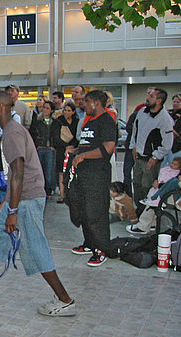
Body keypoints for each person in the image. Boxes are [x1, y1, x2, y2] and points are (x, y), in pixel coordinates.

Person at [0, 91, 76, 317]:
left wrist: (13, 210)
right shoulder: (10, 131)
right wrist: (6, 201)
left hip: (27, 199)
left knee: (35, 248)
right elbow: (13, 173)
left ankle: (65, 300)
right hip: (17, 198)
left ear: (1, 108)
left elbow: (19, 172)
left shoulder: (12, 133)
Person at [69, 90, 117, 267]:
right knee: (84, 210)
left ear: (96, 103)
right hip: (84, 174)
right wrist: (76, 151)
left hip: (98, 175)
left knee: (96, 212)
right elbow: (89, 144)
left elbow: (108, 148)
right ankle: (89, 244)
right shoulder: (91, 122)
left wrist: (83, 156)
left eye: (86, 101)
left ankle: (102, 249)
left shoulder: (106, 121)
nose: (83, 104)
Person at [129, 88, 173, 210]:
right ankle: (139, 209)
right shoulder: (142, 111)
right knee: (136, 183)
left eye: (151, 96)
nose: (147, 98)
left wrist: (156, 156)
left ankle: (148, 214)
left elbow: (167, 143)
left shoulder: (165, 119)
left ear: (159, 100)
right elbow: (135, 130)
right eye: (148, 94)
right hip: (138, 156)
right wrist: (133, 147)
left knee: (147, 186)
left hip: (151, 159)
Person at [126, 157, 181, 235]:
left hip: (172, 195)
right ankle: (152, 224)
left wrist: (159, 185)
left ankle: (143, 226)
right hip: (169, 192)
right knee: (152, 195)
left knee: (152, 202)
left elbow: (174, 183)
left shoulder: (176, 174)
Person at [51, 102, 79, 203]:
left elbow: (78, 136)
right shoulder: (59, 121)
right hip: (61, 149)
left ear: (73, 112)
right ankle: (62, 194)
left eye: (69, 110)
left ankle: (72, 194)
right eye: (65, 110)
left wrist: (72, 146)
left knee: (72, 171)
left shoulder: (76, 122)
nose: (66, 112)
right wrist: (66, 146)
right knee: (61, 172)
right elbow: (56, 137)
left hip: (73, 149)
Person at [30, 100, 57, 199]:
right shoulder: (37, 122)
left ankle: (48, 191)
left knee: (49, 172)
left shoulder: (55, 123)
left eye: (47, 108)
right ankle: (41, 191)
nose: (45, 110)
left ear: (52, 110)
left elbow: (56, 135)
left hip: (50, 148)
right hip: (40, 147)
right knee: (39, 171)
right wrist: (36, 145)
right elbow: (33, 134)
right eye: (44, 108)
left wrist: (54, 145)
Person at [163, 93, 181, 167]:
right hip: (165, 145)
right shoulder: (167, 113)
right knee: (161, 168)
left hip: (177, 147)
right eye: (174, 101)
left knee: (174, 169)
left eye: (178, 102)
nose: (175, 103)